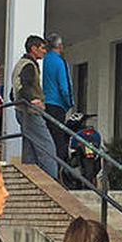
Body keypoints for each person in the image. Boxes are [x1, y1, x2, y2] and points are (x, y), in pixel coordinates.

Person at [10, 36, 58, 177]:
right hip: (29, 112)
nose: (44, 51)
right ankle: (52, 182)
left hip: (21, 111)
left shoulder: (20, 64)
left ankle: (31, 179)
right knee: (47, 146)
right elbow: (24, 87)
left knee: (30, 148)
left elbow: (13, 92)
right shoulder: (29, 65)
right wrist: (33, 100)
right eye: (42, 48)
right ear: (34, 48)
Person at [40, 33, 75, 176]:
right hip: (57, 105)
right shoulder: (60, 62)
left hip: (44, 104)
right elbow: (64, 87)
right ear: (60, 46)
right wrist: (69, 103)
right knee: (59, 139)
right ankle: (56, 172)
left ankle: (45, 168)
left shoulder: (43, 60)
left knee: (45, 137)